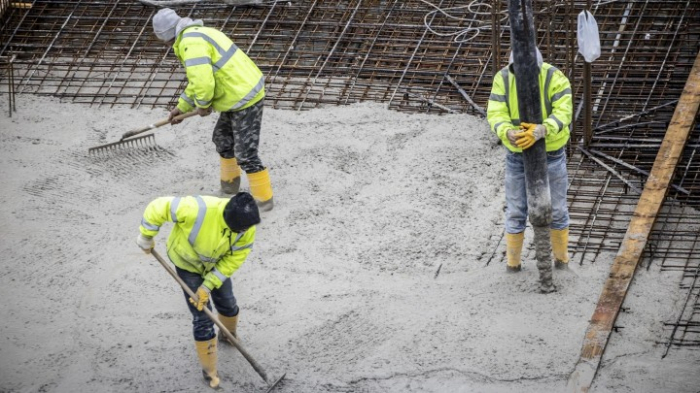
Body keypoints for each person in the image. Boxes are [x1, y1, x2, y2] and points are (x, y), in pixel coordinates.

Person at [152, 8, 274, 211]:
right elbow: (197, 80)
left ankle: (264, 199)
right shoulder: (197, 34)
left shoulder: (190, 43)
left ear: (167, 36)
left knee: (245, 153)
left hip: (245, 97)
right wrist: (181, 108)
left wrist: (203, 105)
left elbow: (203, 82)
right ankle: (229, 188)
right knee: (223, 140)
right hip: (234, 95)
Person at [136, 192, 261, 389]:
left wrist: (208, 284)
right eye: (240, 229)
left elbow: (235, 258)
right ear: (228, 220)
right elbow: (158, 206)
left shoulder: (246, 228)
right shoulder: (197, 209)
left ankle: (228, 335)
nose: (244, 233)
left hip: (217, 265)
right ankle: (209, 371)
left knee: (228, 303)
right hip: (187, 263)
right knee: (202, 316)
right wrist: (146, 235)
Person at [486, 48, 573, 273]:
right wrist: (507, 132)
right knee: (516, 210)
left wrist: (544, 129)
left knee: (558, 210)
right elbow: (496, 112)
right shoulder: (503, 79)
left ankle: (562, 263)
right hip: (518, 155)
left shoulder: (554, 77)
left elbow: (564, 111)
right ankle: (513, 266)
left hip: (551, 153)